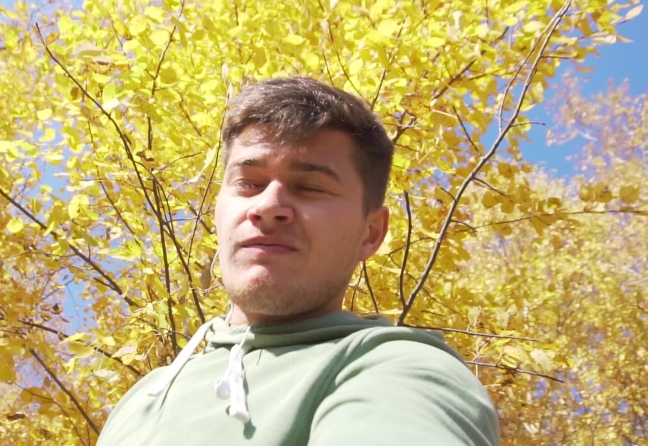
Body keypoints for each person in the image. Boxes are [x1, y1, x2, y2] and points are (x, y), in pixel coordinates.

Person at [95, 77, 500, 445]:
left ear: (371, 232)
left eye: (310, 187)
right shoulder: (143, 397)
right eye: (249, 183)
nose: (267, 206)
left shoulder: (400, 370)